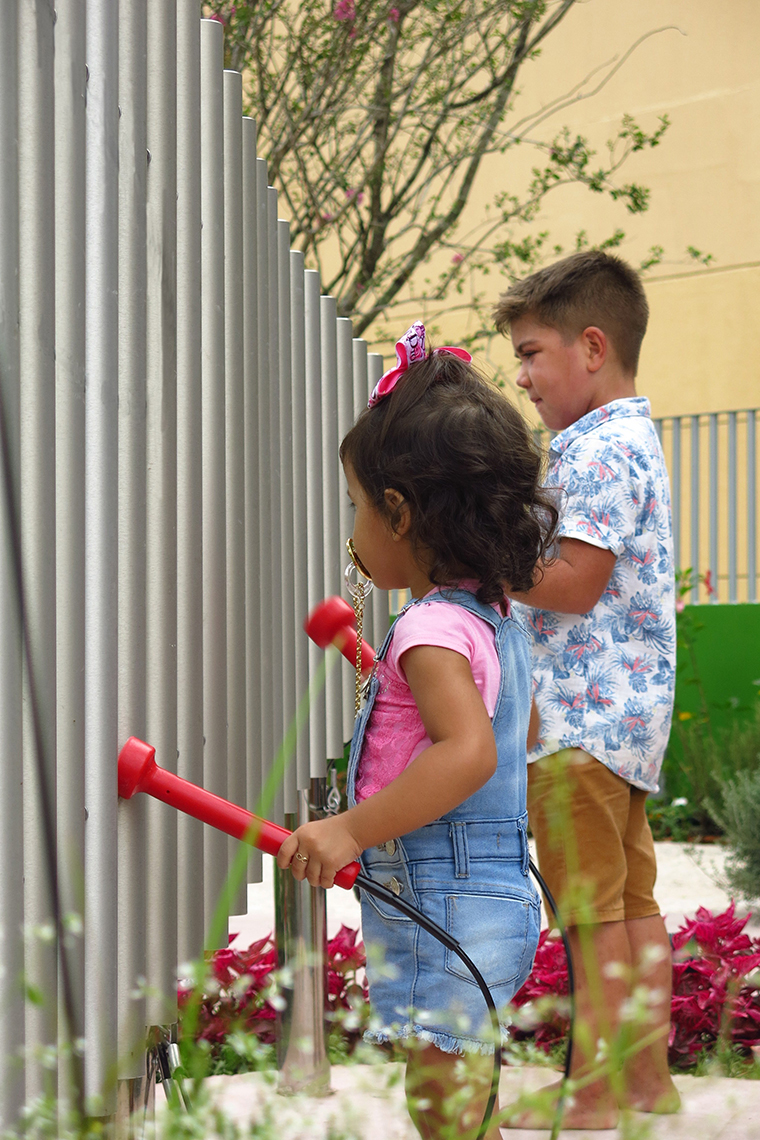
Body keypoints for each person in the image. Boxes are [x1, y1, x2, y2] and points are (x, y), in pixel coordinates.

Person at [278, 322, 558, 1140]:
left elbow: (469, 752)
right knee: (469, 1088)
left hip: (443, 888)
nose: (355, 528)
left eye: (358, 507)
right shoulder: (494, 617)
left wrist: (348, 829)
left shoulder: (432, 629)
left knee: (441, 1099)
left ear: (397, 512)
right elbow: (514, 724)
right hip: (488, 882)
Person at [493, 250, 681, 1129]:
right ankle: (645, 1083)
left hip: (575, 726)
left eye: (532, 353)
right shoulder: (628, 440)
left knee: (588, 916)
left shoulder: (598, 452)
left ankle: (595, 1096)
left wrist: (476, 558)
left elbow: (571, 582)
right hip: (622, 724)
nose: (522, 375)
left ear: (592, 347)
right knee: (630, 902)